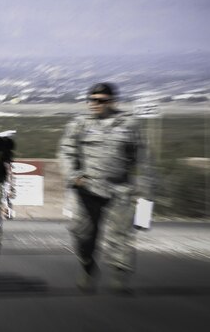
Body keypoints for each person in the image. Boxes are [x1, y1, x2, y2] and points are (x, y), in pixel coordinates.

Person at [58, 82, 154, 294]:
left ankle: (119, 274)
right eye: (92, 100)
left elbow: (143, 159)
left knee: (120, 235)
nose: (96, 104)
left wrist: (145, 192)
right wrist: (73, 175)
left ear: (113, 101)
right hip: (86, 189)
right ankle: (88, 266)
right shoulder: (79, 124)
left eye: (101, 101)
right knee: (81, 233)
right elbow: (66, 152)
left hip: (119, 189)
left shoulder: (128, 124)